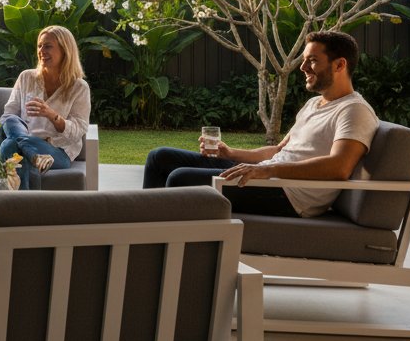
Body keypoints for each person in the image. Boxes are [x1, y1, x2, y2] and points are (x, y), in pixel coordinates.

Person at [142, 30, 378, 219]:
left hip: (289, 194)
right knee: (159, 157)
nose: (303, 68)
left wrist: (269, 170)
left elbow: (339, 167)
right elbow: (278, 151)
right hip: (270, 176)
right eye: (304, 60)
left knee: (181, 178)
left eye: (312, 61)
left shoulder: (354, 110)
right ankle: (141, 230)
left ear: (339, 65)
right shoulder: (314, 104)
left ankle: (158, 244)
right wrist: (232, 153)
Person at [0, 25, 91, 189]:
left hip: (57, 151)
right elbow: (8, 116)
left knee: (8, 146)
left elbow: (78, 130)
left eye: (48, 46)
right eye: (40, 46)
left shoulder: (79, 87)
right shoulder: (26, 77)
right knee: (11, 121)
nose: (41, 50)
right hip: (26, 139)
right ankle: (34, 157)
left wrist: (52, 115)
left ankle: (17, 206)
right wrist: (22, 133)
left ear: (65, 51)